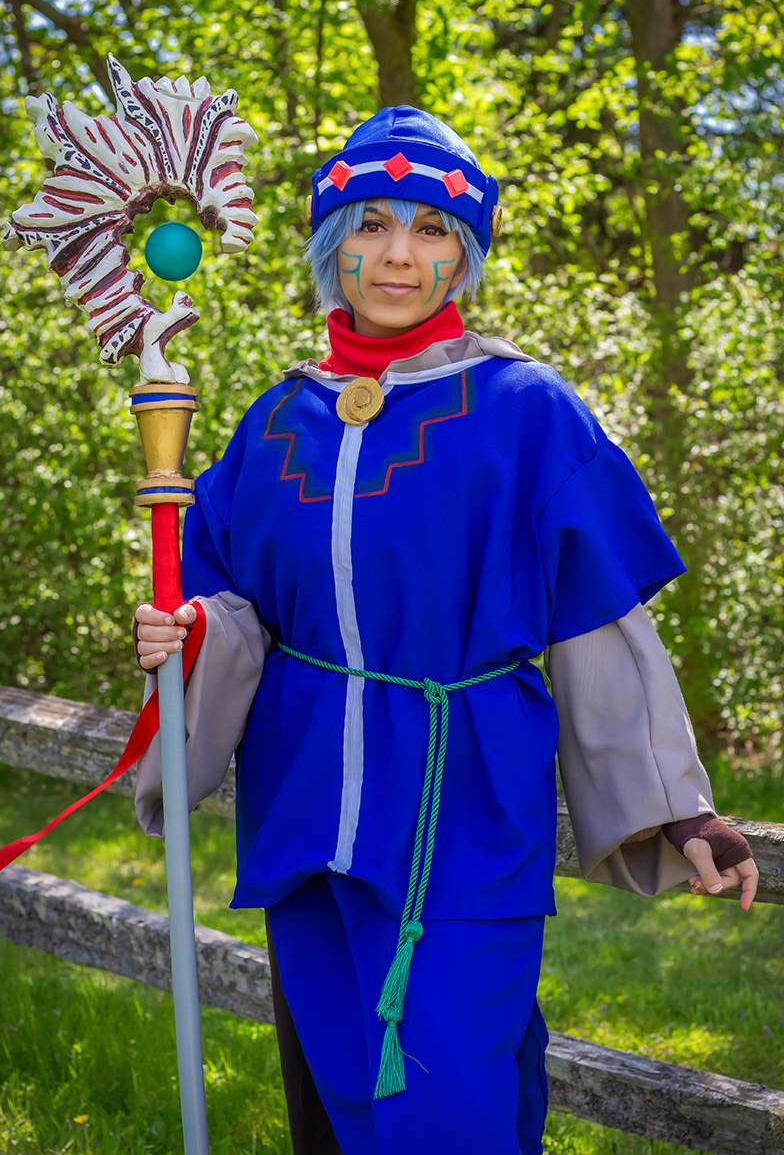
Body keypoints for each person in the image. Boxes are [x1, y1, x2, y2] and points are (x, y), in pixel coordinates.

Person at [133, 107, 758, 1155]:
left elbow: (597, 625)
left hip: (461, 807)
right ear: (331, 246)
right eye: (370, 226)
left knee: (449, 1103)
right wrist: (188, 633)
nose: (397, 256)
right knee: (348, 1103)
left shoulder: (524, 407)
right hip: (304, 811)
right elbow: (237, 606)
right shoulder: (276, 420)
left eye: (430, 230)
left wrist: (680, 809)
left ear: (463, 257)